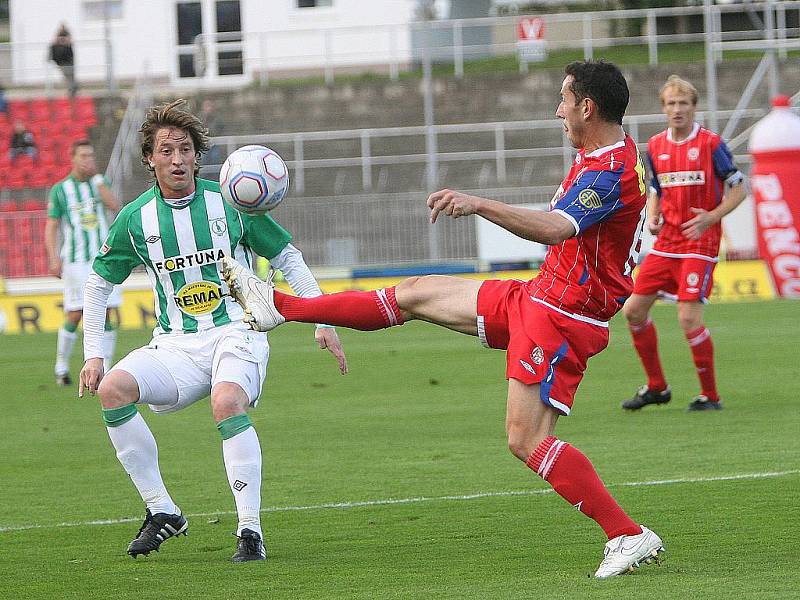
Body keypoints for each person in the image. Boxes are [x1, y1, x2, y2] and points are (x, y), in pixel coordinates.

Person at [222, 61, 665, 578]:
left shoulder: (607, 169)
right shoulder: (602, 154)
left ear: (587, 107)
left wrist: (477, 202)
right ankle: (282, 306)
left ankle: (627, 534)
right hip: (541, 296)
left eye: (564, 99)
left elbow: (553, 228)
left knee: (524, 440)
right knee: (414, 294)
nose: (557, 109)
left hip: (562, 315)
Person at [77, 99, 347, 562]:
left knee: (226, 402)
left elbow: (288, 257)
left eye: (185, 149)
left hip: (237, 332)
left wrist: (321, 318)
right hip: (175, 344)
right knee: (113, 390)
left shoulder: (231, 202)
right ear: (150, 159)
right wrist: (94, 353)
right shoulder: (136, 219)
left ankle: (250, 530)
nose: (177, 159)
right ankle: (162, 511)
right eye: (167, 151)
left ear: (197, 156)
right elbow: (99, 282)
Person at [621, 75, 746, 412]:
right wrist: (654, 213)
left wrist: (711, 216)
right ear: (664, 109)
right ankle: (657, 387)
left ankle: (711, 396)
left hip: (699, 243)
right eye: (671, 104)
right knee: (633, 310)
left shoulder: (711, 145)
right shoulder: (656, 147)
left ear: (694, 107)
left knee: (688, 318)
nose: (677, 109)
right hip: (666, 244)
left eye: (683, 103)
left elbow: (739, 188)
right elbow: (657, 189)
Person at [45, 139, 121, 385]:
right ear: (73, 158)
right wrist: (53, 256)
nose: (88, 160)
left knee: (107, 312)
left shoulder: (100, 183)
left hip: (102, 258)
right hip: (76, 261)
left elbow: (114, 206)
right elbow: (52, 225)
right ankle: (61, 367)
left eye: (91, 155)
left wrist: (98, 179)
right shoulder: (61, 189)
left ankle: (106, 369)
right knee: (75, 313)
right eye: (83, 156)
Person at [48, 23, 77, 98]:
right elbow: (54, 44)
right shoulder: (57, 39)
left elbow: (69, 42)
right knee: (68, 77)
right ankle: (72, 90)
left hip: (68, 61)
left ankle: (72, 91)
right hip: (61, 62)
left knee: (70, 77)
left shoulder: (67, 36)